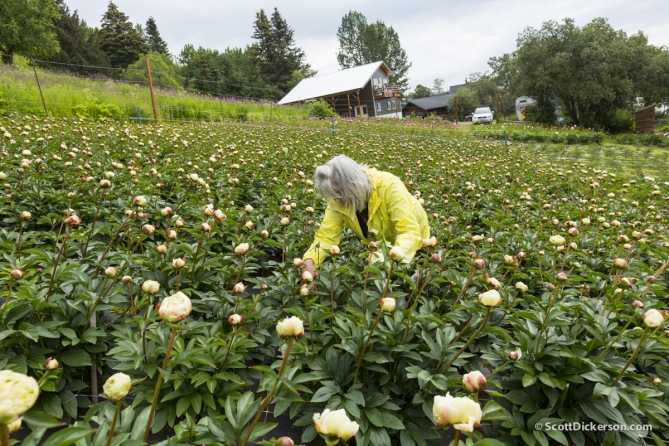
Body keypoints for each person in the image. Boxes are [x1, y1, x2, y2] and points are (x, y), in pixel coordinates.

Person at [302, 155, 430, 277]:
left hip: (413, 246)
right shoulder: (337, 201)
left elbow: (409, 232)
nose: (336, 198)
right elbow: (326, 237)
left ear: (353, 184)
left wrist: (383, 264)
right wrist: (309, 261)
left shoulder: (389, 186)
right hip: (377, 248)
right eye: (332, 194)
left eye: (339, 192)